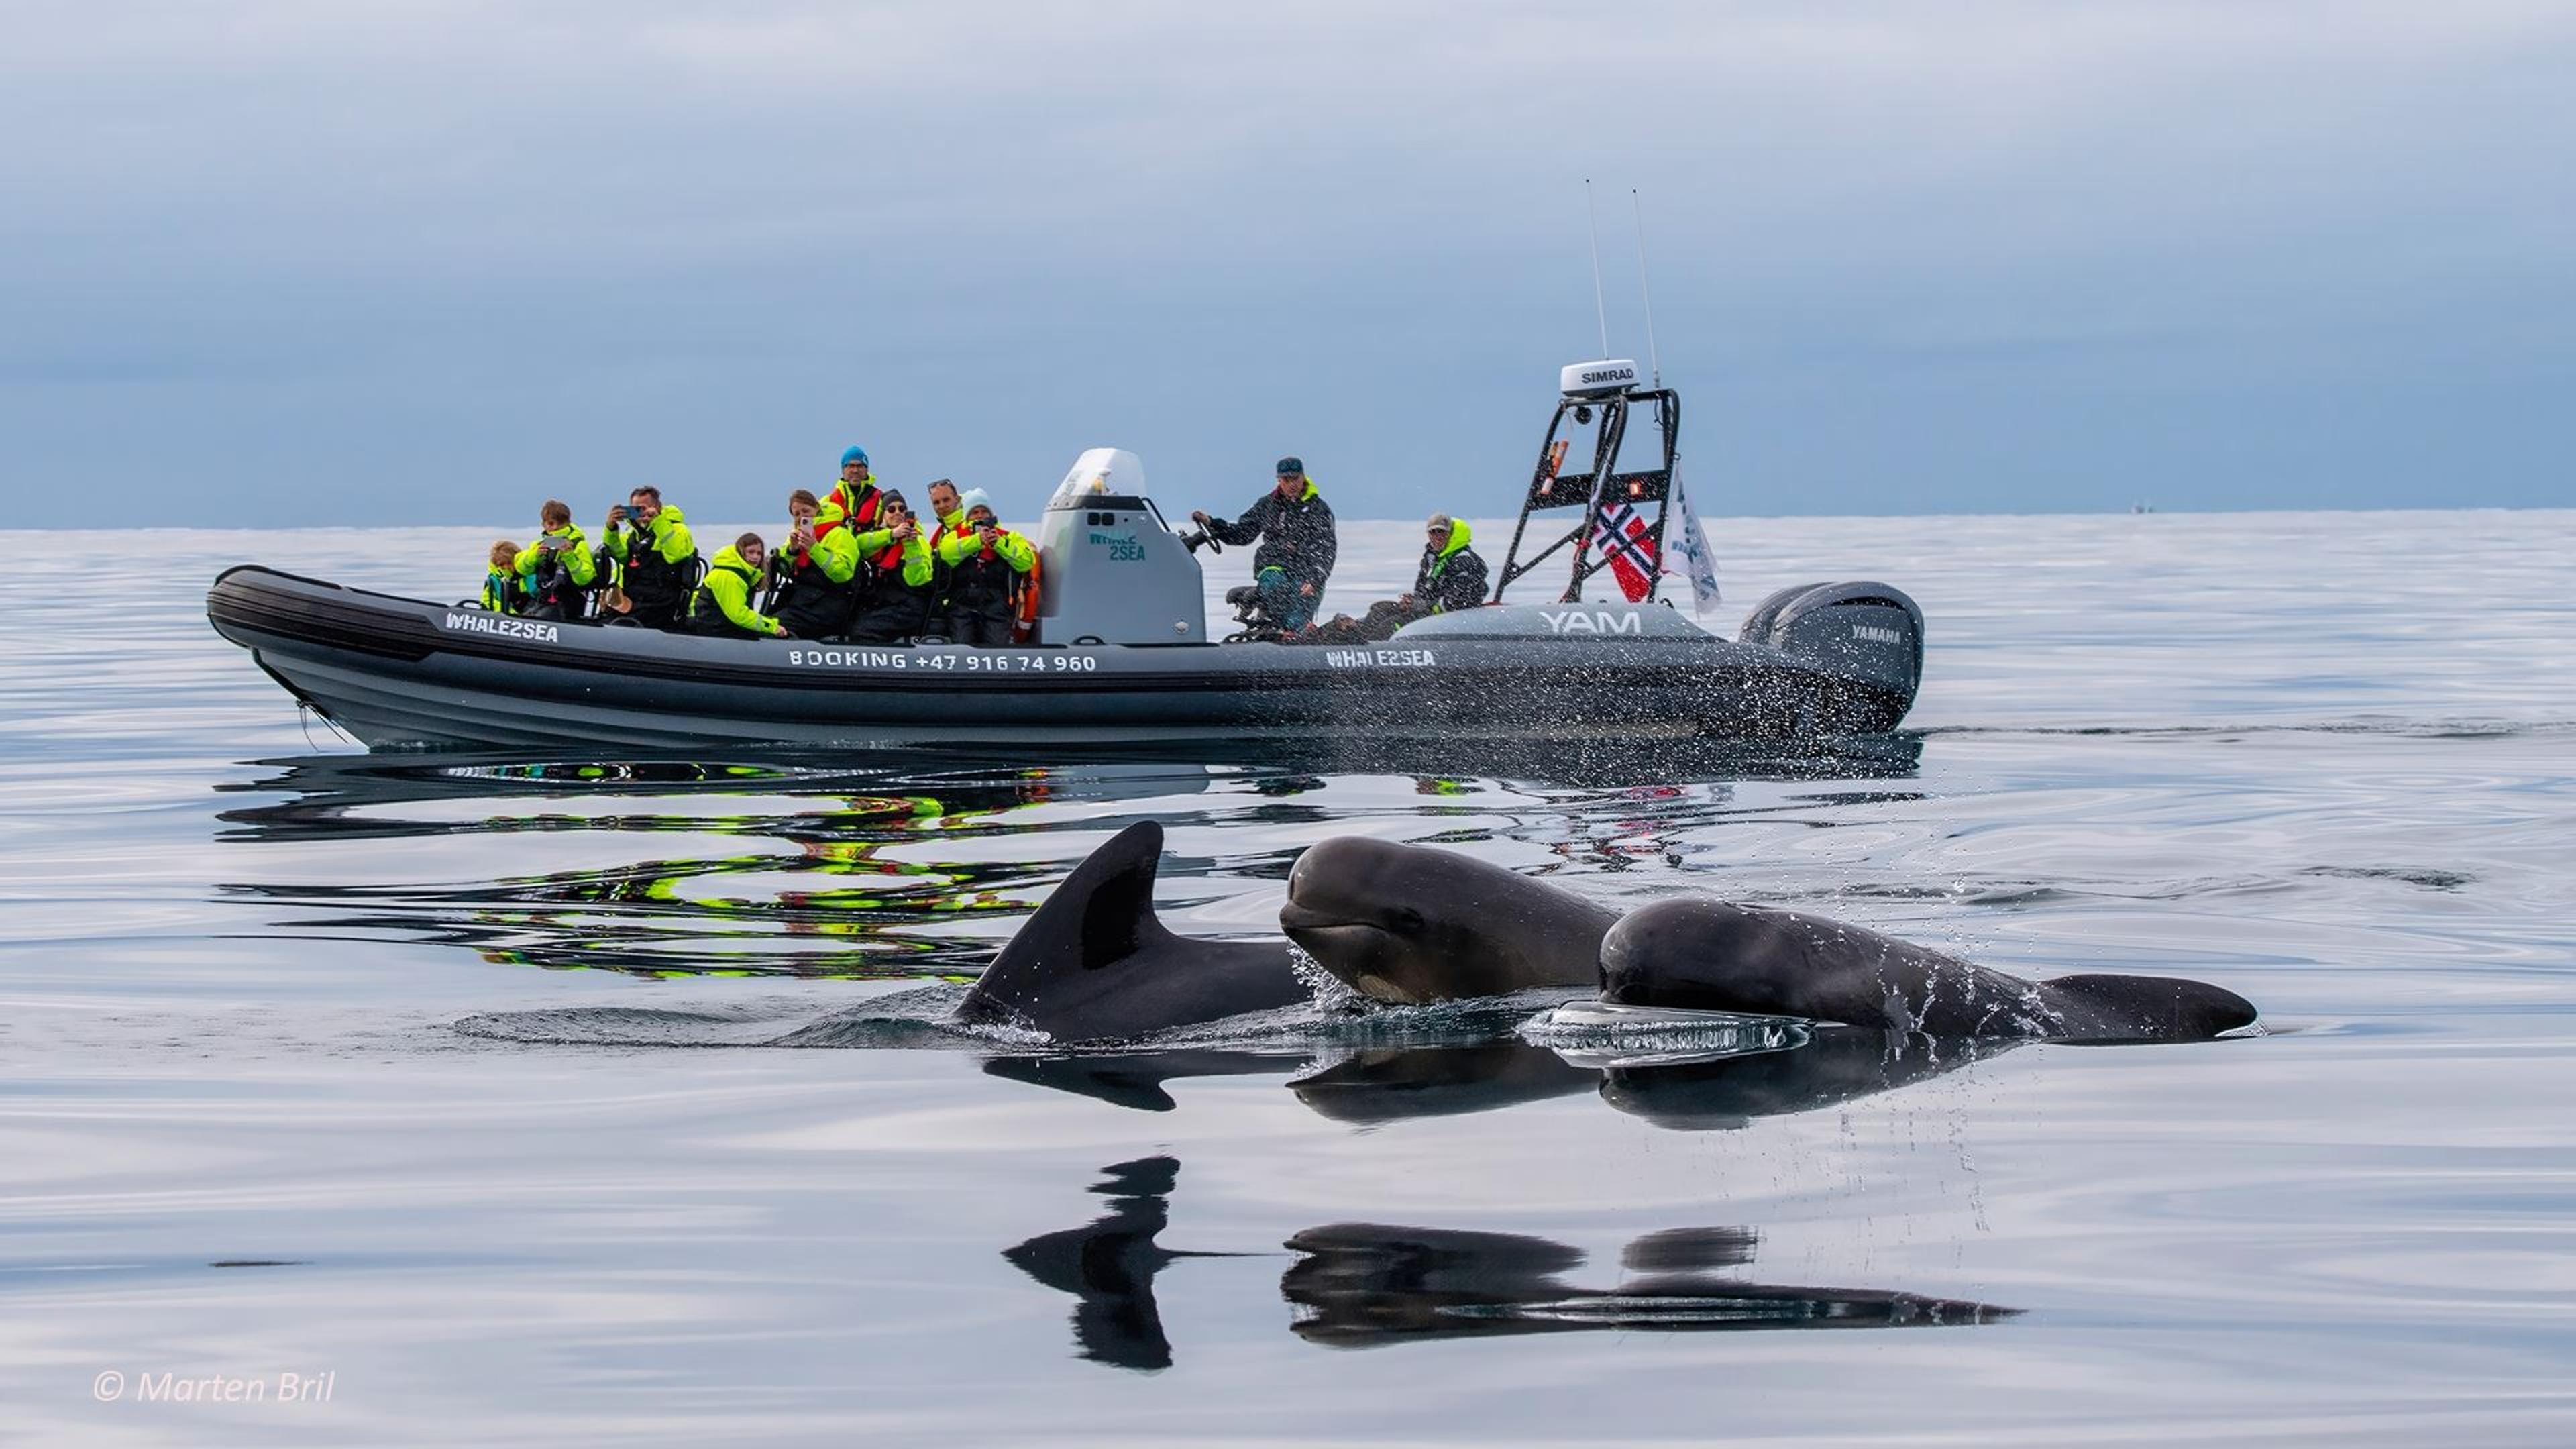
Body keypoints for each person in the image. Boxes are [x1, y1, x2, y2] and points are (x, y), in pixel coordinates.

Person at [1191, 455, 1336, 632]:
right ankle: (1274, 626)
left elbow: (1327, 548)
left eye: (1296, 479)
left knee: (1297, 619)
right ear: (1279, 480)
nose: (1292, 485)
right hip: (1275, 567)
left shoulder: (1318, 510)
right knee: (1275, 582)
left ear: (1303, 477)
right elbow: (1242, 534)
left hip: (1306, 575)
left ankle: (1294, 631)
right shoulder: (1268, 505)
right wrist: (1212, 523)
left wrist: (1315, 579)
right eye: (1286, 479)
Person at [1309, 513, 1489, 643]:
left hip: (1444, 619)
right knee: (1380, 609)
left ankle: (1365, 646)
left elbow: (1460, 601)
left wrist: (1426, 606)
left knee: (1390, 625)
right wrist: (1412, 602)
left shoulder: (1463, 561)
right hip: (1425, 613)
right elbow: (1423, 592)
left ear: (1451, 534)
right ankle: (1334, 633)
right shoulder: (1432, 559)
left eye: (1441, 532)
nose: (1437, 537)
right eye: (1432, 532)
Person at [934, 490, 1038, 645]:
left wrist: (999, 545)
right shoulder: (954, 536)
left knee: (997, 648)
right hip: (961, 606)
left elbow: (1027, 562)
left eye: (984, 511)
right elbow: (945, 555)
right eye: (975, 512)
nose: (980, 516)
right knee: (962, 646)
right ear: (967, 515)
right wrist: (977, 541)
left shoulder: (1009, 537)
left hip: (997, 607)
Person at [847, 490, 938, 643]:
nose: (897, 513)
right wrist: (892, 535)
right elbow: (859, 543)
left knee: (863, 631)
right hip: (884, 605)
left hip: (908, 608)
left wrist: (911, 546)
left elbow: (918, 579)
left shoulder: (919, 541)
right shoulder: (881, 539)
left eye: (902, 509)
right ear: (883, 515)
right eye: (891, 509)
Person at [770, 488, 861, 639]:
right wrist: (792, 551)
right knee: (766, 622)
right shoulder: (798, 534)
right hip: (801, 601)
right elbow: (783, 571)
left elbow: (843, 574)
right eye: (797, 514)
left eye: (806, 510)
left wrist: (814, 549)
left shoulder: (839, 533)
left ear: (817, 508)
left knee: (775, 626)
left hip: (828, 605)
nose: (802, 517)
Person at [603, 487, 699, 630]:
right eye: (636, 509)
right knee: (607, 615)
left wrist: (658, 521)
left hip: (661, 599)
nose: (641, 513)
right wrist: (611, 529)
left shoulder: (678, 529)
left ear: (658, 507)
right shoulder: (632, 534)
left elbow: (676, 555)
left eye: (644, 508)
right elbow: (620, 556)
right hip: (633, 597)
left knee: (632, 620)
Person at [684, 533, 788, 639]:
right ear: (741, 552)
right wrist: (772, 627)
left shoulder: (739, 573)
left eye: (759, 554)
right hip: (715, 629)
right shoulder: (729, 576)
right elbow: (738, 614)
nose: (755, 557)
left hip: (719, 626)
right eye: (751, 552)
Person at [513, 499, 598, 621]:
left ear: (568, 523)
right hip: (543, 603)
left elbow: (585, 579)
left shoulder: (579, 545)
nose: (556, 528)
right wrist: (534, 556)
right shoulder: (540, 545)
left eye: (561, 524)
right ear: (544, 524)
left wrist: (569, 557)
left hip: (568, 607)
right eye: (552, 524)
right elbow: (522, 569)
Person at [816, 446, 885, 544]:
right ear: (843, 470)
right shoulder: (827, 502)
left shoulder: (882, 499)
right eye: (850, 466)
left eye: (860, 466)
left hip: (871, 551)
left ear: (867, 469)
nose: (855, 470)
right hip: (839, 551)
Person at [480, 539, 527, 614]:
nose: (507, 567)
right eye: (502, 564)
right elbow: (487, 601)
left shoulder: (531, 572)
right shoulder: (494, 579)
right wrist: (510, 613)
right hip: (506, 616)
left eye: (509, 563)